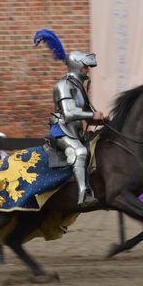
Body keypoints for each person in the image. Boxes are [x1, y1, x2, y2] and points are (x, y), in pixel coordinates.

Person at [50, 51, 105, 206]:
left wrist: (102, 120)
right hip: (62, 129)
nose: (88, 70)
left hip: (75, 130)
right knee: (80, 152)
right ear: (77, 66)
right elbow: (69, 113)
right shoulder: (63, 85)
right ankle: (83, 195)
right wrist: (93, 115)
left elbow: (86, 116)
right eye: (85, 67)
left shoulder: (78, 86)